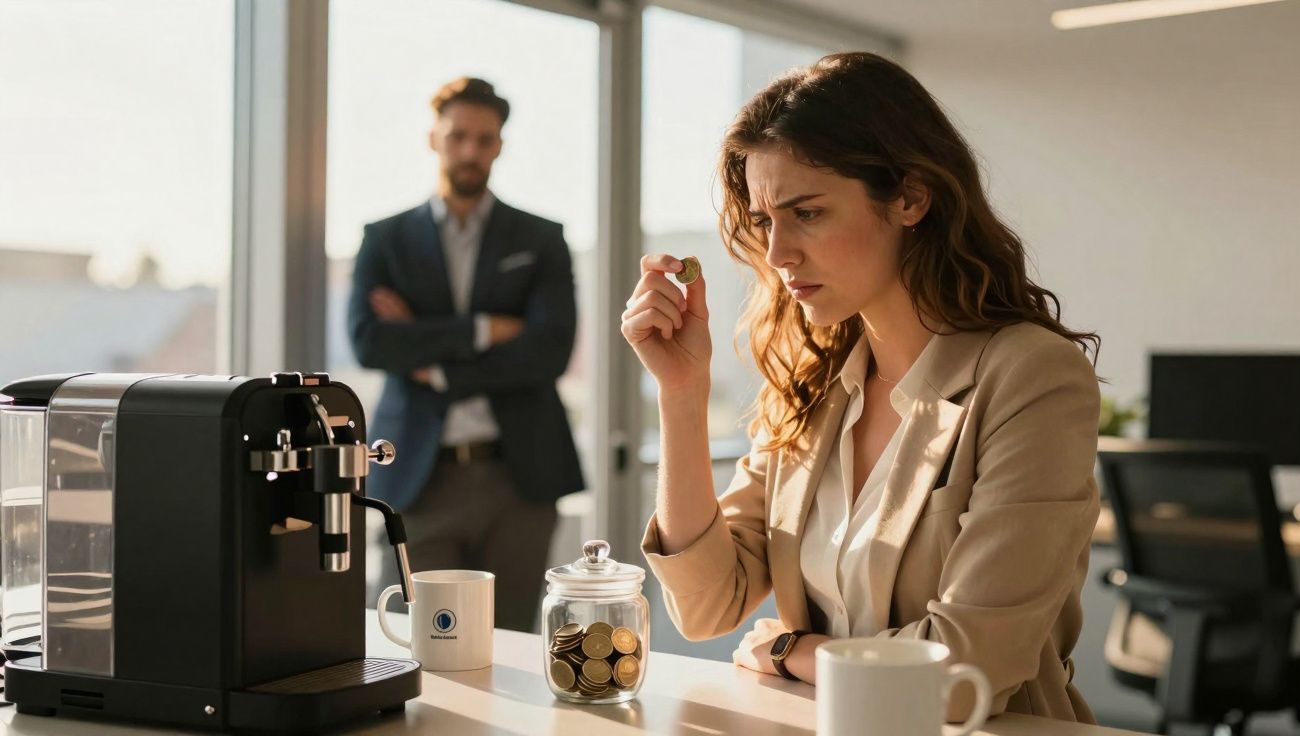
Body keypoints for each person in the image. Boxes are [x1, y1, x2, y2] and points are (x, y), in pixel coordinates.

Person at [622, 52, 1102, 723]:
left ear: (910, 197)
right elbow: (706, 607)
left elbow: (970, 667)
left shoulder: (1032, 377)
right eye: (765, 221)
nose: (780, 251)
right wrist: (681, 394)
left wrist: (793, 648)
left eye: (808, 212)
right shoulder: (816, 384)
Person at [349, 77, 583, 633]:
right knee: (412, 642)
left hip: (519, 476)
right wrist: (484, 328)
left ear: (500, 144)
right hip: (418, 476)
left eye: (485, 139)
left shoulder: (542, 239)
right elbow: (371, 341)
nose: (471, 151)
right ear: (434, 137)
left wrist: (431, 358)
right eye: (458, 136)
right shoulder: (384, 239)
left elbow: (550, 352)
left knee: (513, 647)